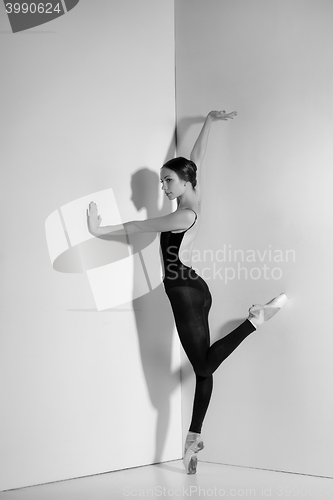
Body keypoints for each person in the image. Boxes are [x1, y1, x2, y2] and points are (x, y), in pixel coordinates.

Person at [87, 110, 288, 475]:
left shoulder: (183, 216)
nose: (163, 188)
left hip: (184, 291)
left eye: (167, 181)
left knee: (204, 365)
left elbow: (141, 224)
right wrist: (207, 121)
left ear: (183, 181)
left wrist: (100, 230)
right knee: (203, 370)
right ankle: (193, 438)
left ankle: (254, 321)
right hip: (193, 288)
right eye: (161, 182)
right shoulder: (193, 196)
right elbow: (197, 158)